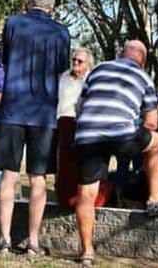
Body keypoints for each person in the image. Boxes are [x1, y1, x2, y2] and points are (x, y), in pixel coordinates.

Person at [74, 40, 158, 266]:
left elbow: (81, 106)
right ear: (142, 60)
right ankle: (154, 199)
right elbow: (152, 123)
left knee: (86, 193)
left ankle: (87, 252)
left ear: (121, 54)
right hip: (121, 133)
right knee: (156, 143)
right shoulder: (143, 78)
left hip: (87, 134)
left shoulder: (99, 69)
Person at [0, 0, 70, 255]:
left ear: (29, 0)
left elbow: (4, 60)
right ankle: (33, 241)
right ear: (52, 5)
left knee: (8, 175)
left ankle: (4, 239)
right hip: (44, 113)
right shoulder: (61, 32)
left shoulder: (12, 24)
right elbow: (62, 69)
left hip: (13, 108)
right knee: (38, 178)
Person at [55, 48, 93, 207]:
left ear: (88, 64)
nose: (75, 63)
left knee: (76, 164)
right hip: (60, 122)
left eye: (80, 61)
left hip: (80, 124)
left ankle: (77, 199)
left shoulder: (91, 80)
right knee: (61, 163)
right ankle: (62, 198)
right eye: (74, 60)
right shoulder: (62, 77)